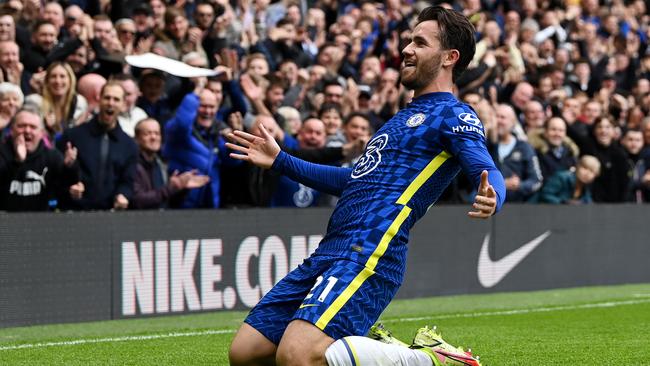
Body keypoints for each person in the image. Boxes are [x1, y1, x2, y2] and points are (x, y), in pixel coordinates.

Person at [227, 7, 504, 366]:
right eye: (408, 40)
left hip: (371, 250)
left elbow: (485, 166)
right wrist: (282, 160)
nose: (406, 48)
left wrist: (494, 193)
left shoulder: (455, 114)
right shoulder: (400, 118)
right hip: (333, 247)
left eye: (420, 42)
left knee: (296, 356)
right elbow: (354, 180)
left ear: (450, 58)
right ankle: (368, 345)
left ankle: (431, 360)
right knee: (245, 354)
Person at [56, 82, 137, 210]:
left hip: (109, 215)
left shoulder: (129, 145)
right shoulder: (73, 135)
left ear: (123, 105)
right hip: (74, 212)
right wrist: (69, 188)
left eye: (116, 99)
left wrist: (122, 195)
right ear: (99, 99)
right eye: (107, 97)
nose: (110, 103)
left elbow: (127, 180)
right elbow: (56, 174)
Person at [0, 106, 81, 211]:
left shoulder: (51, 156)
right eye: (21, 126)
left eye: (33, 127)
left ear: (42, 133)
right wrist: (17, 162)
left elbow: (66, 186)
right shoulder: (2, 152)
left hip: (39, 221)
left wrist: (70, 166)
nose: (27, 130)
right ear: (12, 129)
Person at [131, 118, 209, 209]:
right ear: (137, 138)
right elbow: (138, 201)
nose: (153, 137)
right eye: (147, 134)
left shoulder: (161, 164)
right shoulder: (131, 165)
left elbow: (164, 200)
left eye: (157, 133)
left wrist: (181, 187)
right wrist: (170, 188)